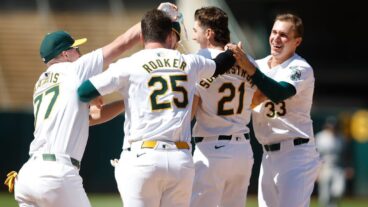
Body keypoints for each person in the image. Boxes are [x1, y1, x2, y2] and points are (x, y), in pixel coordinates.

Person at [77, 9, 237, 207]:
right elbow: (221, 64)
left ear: (143, 36)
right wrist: (232, 51)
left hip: (143, 158)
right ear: (170, 35)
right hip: (180, 159)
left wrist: (95, 97)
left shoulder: (129, 64)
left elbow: (83, 91)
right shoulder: (189, 61)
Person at [6, 19, 141, 207]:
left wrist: (126, 102)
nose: (80, 53)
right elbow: (123, 42)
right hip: (56, 173)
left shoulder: (41, 83)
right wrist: (158, 16)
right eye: (76, 49)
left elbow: (90, 118)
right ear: (65, 53)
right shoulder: (73, 69)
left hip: (29, 175)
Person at [230, 13, 321, 207]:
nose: (276, 38)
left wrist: (250, 70)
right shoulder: (259, 64)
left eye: (283, 35)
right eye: (274, 32)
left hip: (297, 154)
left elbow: (279, 92)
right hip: (268, 154)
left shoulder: (300, 67)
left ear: (297, 42)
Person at [190, 6, 255, 207]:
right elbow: (258, 97)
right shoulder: (248, 60)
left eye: (196, 30)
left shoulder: (200, 60)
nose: (193, 35)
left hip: (211, 150)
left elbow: (192, 108)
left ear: (208, 33)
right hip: (243, 149)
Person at [316, 117, 347, 207]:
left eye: (334, 126)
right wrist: (317, 171)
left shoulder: (341, 138)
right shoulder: (320, 137)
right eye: (330, 126)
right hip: (324, 167)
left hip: (338, 167)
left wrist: (347, 167)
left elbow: (345, 154)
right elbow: (316, 154)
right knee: (325, 196)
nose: (332, 128)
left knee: (339, 191)